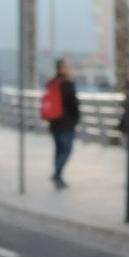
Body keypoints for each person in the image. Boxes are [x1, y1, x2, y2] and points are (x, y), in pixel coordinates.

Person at [44, 58, 80, 187]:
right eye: (67, 67)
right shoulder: (67, 84)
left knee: (59, 150)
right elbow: (73, 104)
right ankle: (56, 174)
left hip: (54, 122)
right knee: (67, 150)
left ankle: (58, 176)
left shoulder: (51, 83)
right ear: (62, 69)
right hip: (66, 123)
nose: (69, 69)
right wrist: (76, 119)